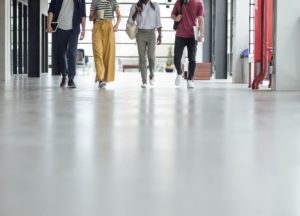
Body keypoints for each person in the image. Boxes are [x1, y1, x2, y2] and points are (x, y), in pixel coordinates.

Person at [48, 0, 86, 88]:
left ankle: (71, 79)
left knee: (72, 53)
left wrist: (83, 30)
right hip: (60, 28)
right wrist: (49, 24)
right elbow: (51, 10)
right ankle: (64, 76)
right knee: (61, 54)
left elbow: (83, 14)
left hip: (74, 28)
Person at [128, 0, 162, 88]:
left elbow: (158, 22)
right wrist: (136, 12)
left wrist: (160, 35)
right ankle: (144, 81)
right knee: (142, 58)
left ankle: (152, 75)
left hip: (151, 34)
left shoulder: (155, 5)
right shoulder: (135, 6)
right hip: (140, 33)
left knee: (151, 57)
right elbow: (130, 22)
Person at [171, 0, 204, 88]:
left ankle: (190, 79)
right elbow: (172, 15)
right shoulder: (178, 2)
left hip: (192, 35)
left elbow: (200, 19)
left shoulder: (198, 3)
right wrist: (176, 18)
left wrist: (201, 34)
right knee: (176, 58)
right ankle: (179, 72)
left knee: (192, 59)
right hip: (180, 35)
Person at [89, 0, 121, 88]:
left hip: (109, 27)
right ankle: (100, 78)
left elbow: (119, 15)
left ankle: (104, 79)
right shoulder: (95, 1)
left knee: (108, 54)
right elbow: (90, 18)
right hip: (97, 27)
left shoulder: (112, 1)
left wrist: (117, 25)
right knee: (98, 53)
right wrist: (96, 14)